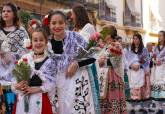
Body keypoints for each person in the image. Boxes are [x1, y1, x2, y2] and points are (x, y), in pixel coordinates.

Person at [47, 10, 99, 114]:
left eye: (61, 23)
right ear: (49, 25)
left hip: (78, 85)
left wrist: (77, 64)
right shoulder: (47, 44)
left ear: (65, 24)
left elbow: (93, 55)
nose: (57, 26)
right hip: (58, 87)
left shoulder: (76, 37)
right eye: (53, 23)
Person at [12, 28, 56, 114]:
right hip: (22, 100)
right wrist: (16, 86)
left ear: (46, 42)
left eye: (41, 40)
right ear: (31, 42)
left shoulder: (50, 62)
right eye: (35, 40)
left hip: (40, 100)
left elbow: (51, 84)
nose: (38, 43)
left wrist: (36, 89)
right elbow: (15, 79)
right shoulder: (25, 58)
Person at [0, 2, 29, 114]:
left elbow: (27, 51)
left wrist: (12, 55)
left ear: (14, 14)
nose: (5, 13)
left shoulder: (21, 31)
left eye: (8, 11)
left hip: (12, 75)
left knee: (9, 106)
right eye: (3, 11)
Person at [98, 25, 127, 114]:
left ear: (109, 35)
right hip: (104, 74)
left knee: (112, 97)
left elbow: (115, 60)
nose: (102, 34)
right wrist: (100, 61)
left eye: (104, 32)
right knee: (105, 98)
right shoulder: (105, 46)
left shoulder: (116, 45)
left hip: (113, 75)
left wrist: (104, 59)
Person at [127, 33, 150, 101]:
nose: (134, 40)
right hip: (133, 69)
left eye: (136, 38)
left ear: (140, 39)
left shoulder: (144, 49)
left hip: (140, 69)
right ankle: (134, 97)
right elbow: (128, 60)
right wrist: (131, 65)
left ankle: (139, 97)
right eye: (133, 38)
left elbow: (147, 60)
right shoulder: (130, 50)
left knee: (140, 83)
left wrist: (139, 65)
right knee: (133, 83)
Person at [151, 31, 165, 99]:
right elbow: (153, 56)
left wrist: (161, 61)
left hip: (163, 68)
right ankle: (158, 105)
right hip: (157, 69)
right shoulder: (156, 47)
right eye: (158, 36)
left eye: (161, 36)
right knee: (157, 84)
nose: (159, 37)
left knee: (163, 84)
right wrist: (155, 61)